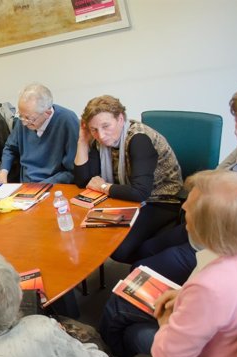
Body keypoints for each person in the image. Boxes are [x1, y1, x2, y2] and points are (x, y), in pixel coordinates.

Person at [100, 82, 237, 357]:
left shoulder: (216, 280)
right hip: (201, 231)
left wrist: (171, 312)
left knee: (134, 282)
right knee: (142, 255)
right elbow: (213, 180)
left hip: (212, 246)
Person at [149, 170, 237, 357]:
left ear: (210, 227)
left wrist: (165, 321)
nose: (184, 208)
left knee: (123, 321)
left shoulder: (211, 287)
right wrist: (186, 296)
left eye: (189, 208)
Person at [74, 95, 183, 264]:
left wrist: (102, 186)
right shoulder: (98, 141)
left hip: (161, 200)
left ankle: (154, 259)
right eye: (94, 129)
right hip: (124, 196)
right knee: (88, 232)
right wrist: (82, 140)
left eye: (106, 126)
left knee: (119, 250)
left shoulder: (139, 139)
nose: (101, 135)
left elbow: (140, 192)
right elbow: (84, 181)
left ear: (120, 119)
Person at [0, 84, 79, 184]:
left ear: (47, 113)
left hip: (54, 185)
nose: (24, 123)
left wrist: (43, 185)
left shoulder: (67, 120)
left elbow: (72, 169)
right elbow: (10, 148)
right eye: (21, 116)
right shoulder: (24, 120)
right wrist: (3, 173)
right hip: (26, 186)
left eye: (29, 118)